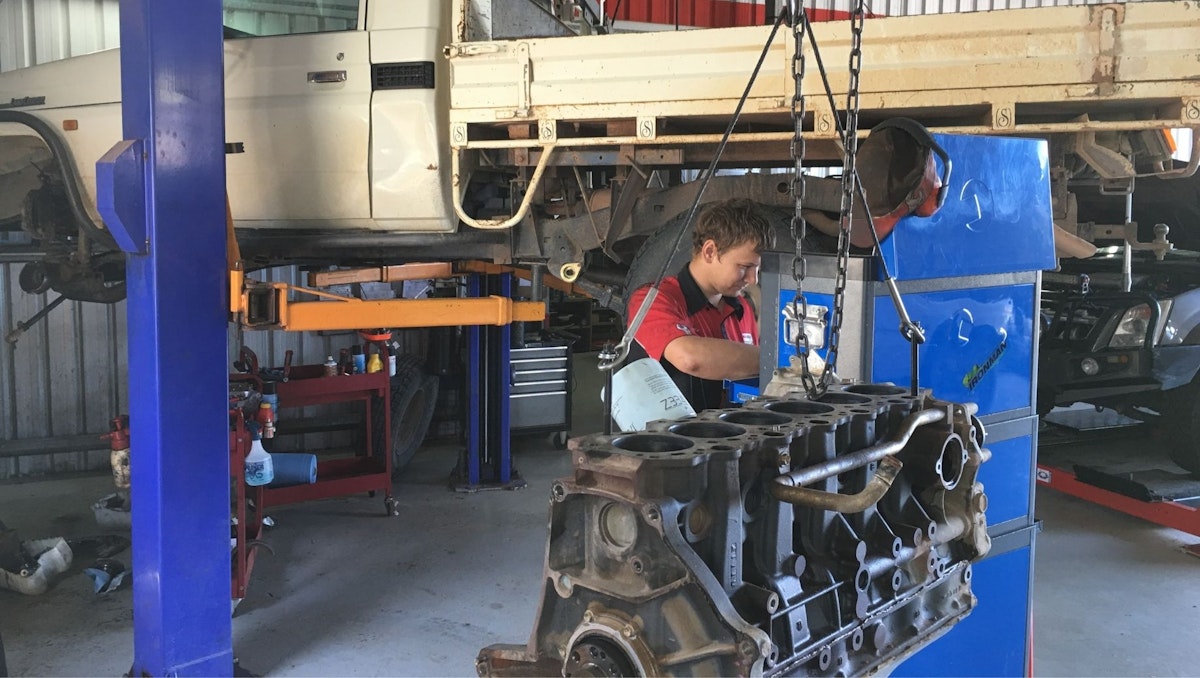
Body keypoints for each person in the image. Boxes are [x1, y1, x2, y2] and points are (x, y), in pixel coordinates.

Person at [626, 198, 775, 412]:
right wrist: (779, 360)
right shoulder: (653, 300)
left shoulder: (741, 309)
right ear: (710, 251)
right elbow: (689, 358)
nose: (753, 280)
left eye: (757, 270)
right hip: (667, 442)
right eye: (745, 267)